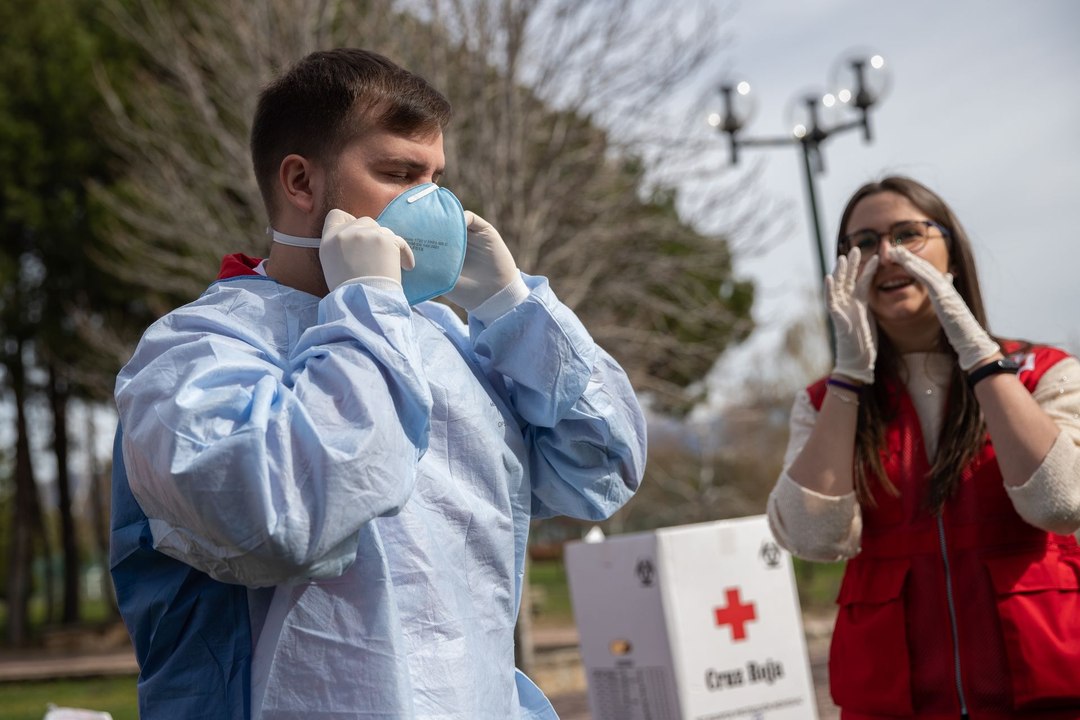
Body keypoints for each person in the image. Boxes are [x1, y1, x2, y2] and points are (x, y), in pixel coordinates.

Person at [110, 48, 646, 719]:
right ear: (301, 182)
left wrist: (515, 311)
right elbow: (287, 519)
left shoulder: (444, 339)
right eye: (398, 174)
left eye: (437, 178)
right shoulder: (193, 354)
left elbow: (603, 469)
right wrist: (368, 304)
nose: (432, 203)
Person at [766, 176, 1080, 719]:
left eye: (907, 234)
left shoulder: (1044, 372)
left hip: (1042, 695)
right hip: (897, 704)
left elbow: (1062, 503)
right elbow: (812, 538)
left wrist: (978, 354)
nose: (887, 255)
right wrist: (849, 377)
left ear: (951, 249)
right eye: (864, 243)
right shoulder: (822, 403)